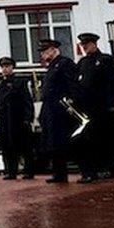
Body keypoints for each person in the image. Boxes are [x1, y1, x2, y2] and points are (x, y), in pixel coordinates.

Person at [75, 33, 114, 182]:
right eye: (83, 45)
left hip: (103, 107)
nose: (85, 47)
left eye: (87, 44)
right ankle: (96, 168)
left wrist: (112, 104)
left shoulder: (105, 60)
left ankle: (109, 168)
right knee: (91, 140)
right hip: (88, 109)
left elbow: (112, 83)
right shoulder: (82, 63)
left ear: (94, 44)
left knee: (106, 139)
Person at [38, 39, 79, 184]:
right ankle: (58, 174)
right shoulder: (51, 67)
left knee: (64, 141)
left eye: (44, 51)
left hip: (61, 109)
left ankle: (84, 172)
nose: (42, 55)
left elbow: (72, 86)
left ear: (53, 49)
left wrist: (70, 104)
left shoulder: (65, 64)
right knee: (53, 142)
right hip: (50, 108)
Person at [0, 57, 35, 180]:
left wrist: (28, 118)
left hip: (18, 118)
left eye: (7, 66)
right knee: (7, 146)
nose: (4, 69)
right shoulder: (0, 83)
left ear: (12, 67)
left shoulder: (20, 82)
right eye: (2, 67)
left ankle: (28, 171)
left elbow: (27, 101)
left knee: (24, 146)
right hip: (5, 119)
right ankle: (10, 171)